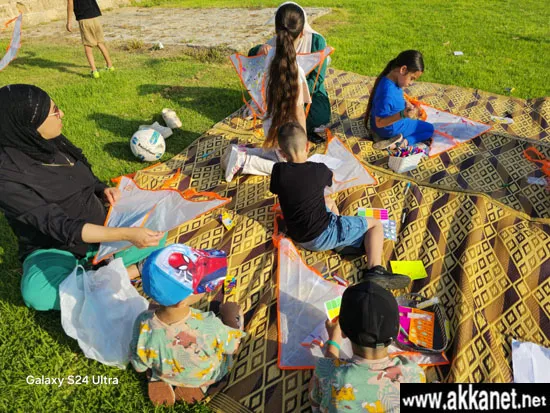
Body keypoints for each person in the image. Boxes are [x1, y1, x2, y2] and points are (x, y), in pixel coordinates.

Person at [0, 84, 165, 311]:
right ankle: (128, 270)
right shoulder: (7, 177)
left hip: (101, 231)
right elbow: (60, 227)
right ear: (29, 125)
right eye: (54, 112)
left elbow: (83, 175)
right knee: (37, 293)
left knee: (158, 231)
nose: (62, 114)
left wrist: (102, 189)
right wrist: (126, 234)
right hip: (56, 248)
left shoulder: (47, 141)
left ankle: (97, 274)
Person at [269, 122, 410, 289]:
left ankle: (341, 241)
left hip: (298, 235)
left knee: (328, 201)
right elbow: (329, 179)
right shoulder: (318, 170)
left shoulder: (278, 171)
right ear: (307, 146)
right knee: (375, 224)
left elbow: (280, 188)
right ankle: (375, 270)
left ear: (281, 153)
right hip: (320, 235)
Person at [129, 246, 245, 407]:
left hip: (164, 370)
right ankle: (200, 386)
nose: (206, 289)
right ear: (182, 301)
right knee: (230, 341)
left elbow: (139, 365)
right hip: (205, 374)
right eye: (202, 286)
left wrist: (145, 367)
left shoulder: (143, 322)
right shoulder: (209, 324)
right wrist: (231, 316)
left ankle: (158, 378)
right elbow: (233, 346)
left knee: (155, 358)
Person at [221, 2, 312, 182]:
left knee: (275, 153)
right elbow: (299, 112)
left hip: (270, 123)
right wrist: (302, 144)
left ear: (276, 30)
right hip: (286, 135)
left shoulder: (271, 55)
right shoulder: (296, 72)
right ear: (302, 33)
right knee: (289, 167)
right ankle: (243, 161)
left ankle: (241, 152)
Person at [309, 281, 426, 412]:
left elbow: (317, 396)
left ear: (343, 332)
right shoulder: (414, 373)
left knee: (317, 386)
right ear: (398, 330)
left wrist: (333, 341)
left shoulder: (327, 371)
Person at [249, 1, 331, 144]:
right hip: (281, 93)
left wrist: (291, 95)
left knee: (318, 116)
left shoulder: (317, 42)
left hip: (307, 93)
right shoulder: (276, 44)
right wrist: (259, 49)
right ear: (301, 31)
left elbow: (316, 80)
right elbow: (252, 58)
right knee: (289, 114)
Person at [364, 50, 434, 150]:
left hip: (380, 127)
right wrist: (403, 114)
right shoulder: (387, 93)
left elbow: (395, 99)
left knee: (418, 123)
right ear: (403, 69)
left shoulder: (388, 79)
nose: (411, 83)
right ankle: (402, 143)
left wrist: (406, 103)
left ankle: (390, 138)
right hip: (390, 129)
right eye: (412, 78)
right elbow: (379, 122)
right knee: (429, 129)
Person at [66, 0, 114, 78]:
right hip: (95, 16)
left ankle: (94, 71)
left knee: (87, 45)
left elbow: (70, 3)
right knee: (100, 42)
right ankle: (110, 66)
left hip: (84, 19)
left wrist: (69, 22)